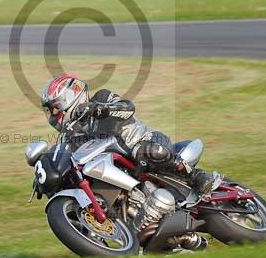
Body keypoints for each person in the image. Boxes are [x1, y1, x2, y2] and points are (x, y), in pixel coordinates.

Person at [40, 73, 215, 195]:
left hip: (144, 142)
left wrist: (99, 109)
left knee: (147, 151)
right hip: (118, 169)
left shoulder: (101, 97)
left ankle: (196, 176)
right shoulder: (68, 136)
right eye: (49, 111)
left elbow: (128, 107)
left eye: (56, 108)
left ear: (70, 97)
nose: (54, 115)